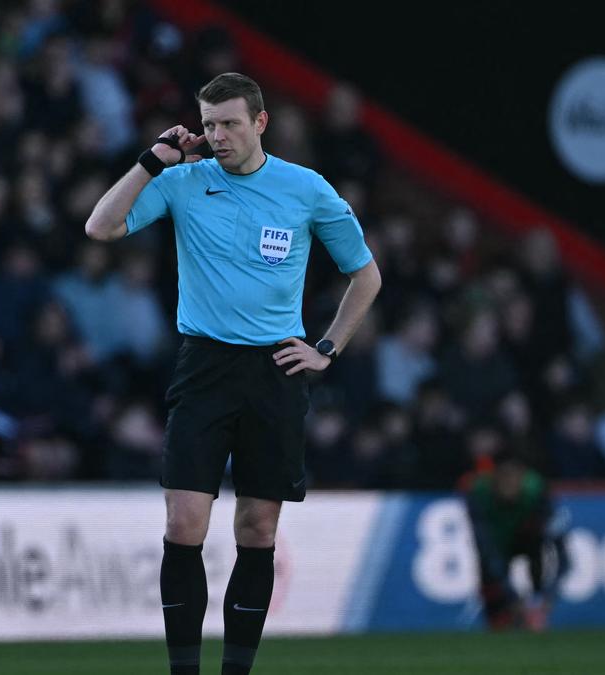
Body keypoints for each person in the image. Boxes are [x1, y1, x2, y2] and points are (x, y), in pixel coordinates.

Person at [85, 72, 381, 675]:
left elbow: (366, 276)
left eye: (230, 123)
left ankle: (237, 669)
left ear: (260, 122)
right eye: (210, 123)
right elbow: (101, 226)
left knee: (257, 526)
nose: (217, 135)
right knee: (184, 519)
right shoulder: (184, 182)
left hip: (275, 369)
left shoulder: (306, 189)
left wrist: (325, 347)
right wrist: (150, 161)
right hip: (205, 365)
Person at [464, 449, 569, 631]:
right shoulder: (479, 493)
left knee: (538, 550)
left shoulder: (538, 492)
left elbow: (563, 555)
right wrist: (512, 597)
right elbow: (486, 549)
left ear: (523, 476)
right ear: (494, 478)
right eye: (504, 477)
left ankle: (535, 607)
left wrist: (549, 595)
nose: (509, 483)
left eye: (514, 476)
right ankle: (502, 619)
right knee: (490, 579)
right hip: (496, 544)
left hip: (527, 540)